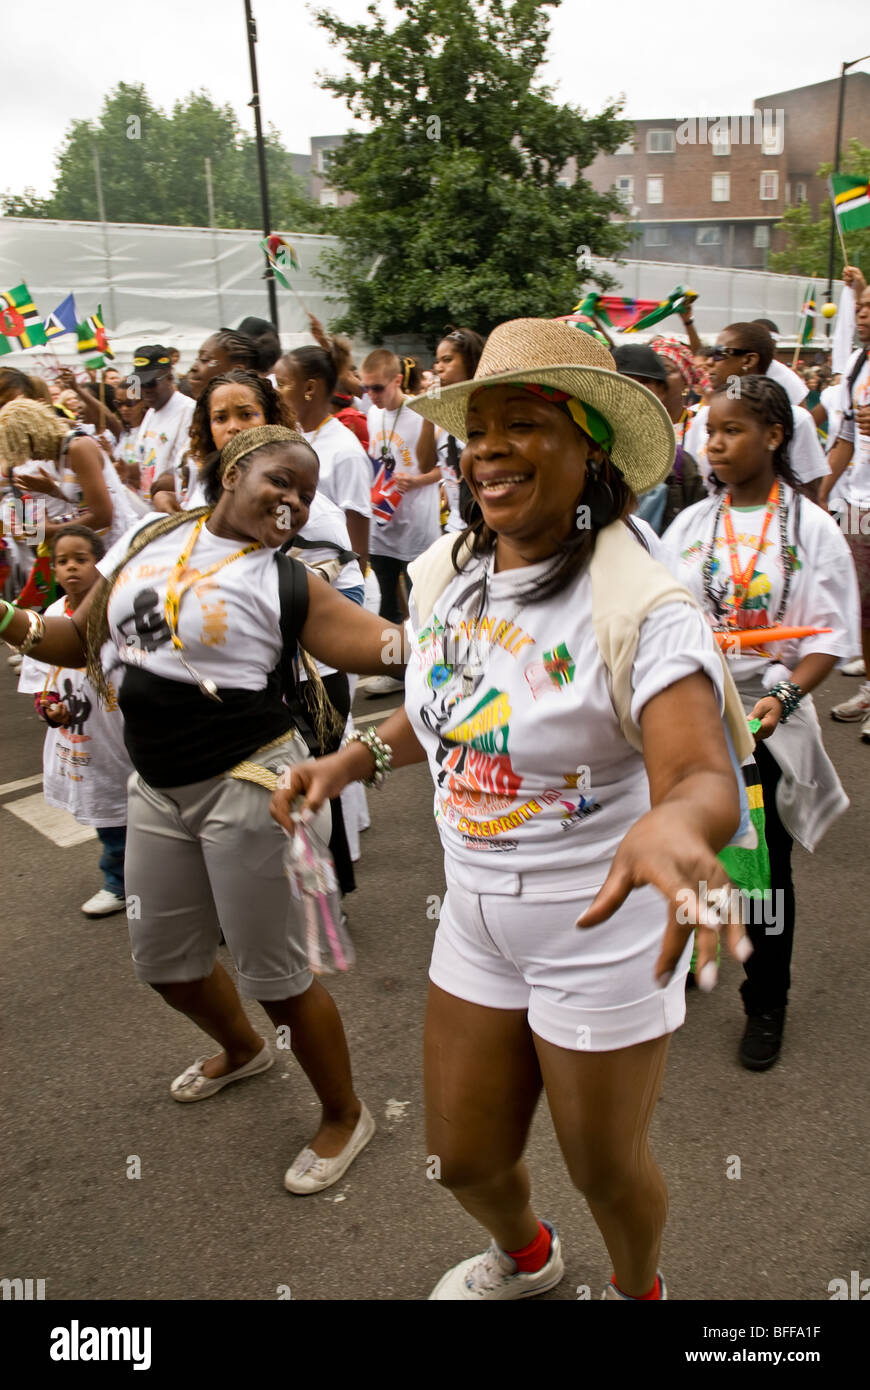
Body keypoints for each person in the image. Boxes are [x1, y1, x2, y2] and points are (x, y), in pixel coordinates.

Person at [271, 317, 753, 1300]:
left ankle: (639, 1288)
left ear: (590, 443)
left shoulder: (639, 601)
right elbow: (453, 710)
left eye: (522, 422)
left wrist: (676, 819)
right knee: (463, 1159)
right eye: (476, 426)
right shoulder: (453, 568)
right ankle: (529, 1257)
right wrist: (355, 757)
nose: (486, 447)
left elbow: (701, 771)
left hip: (601, 926)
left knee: (605, 1169)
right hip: (477, 916)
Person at [0, 424, 408, 1194]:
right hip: (155, 789)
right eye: (279, 480)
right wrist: (3, 617)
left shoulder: (288, 582)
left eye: (306, 494)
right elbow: (70, 642)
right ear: (232, 472)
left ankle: (345, 1114)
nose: (291, 500)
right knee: (165, 965)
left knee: (278, 975)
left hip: (253, 787)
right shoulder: (149, 541)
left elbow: (394, 650)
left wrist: (476, 630)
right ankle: (247, 1052)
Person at [663, 376, 858, 1068]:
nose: (713, 444)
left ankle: (765, 1001)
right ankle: (688, 954)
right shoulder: (689, 527)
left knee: (763, 870)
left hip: (769, 722)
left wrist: (787, 699)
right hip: (694, 719)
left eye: (731, 430)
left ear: (774, 437)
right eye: (708, 431)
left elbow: (828, 638)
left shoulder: (812, 529)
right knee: (688, 849)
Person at [17, 524, 132, 917]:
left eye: (81, 560)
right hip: (82, 735)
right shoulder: (49, 616)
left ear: (101, 565)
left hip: (120, 730)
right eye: (62, 561)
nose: (71, 569)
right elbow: (41, 680)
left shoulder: (120, 609)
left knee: (138, 802)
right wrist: (49, 707)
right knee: (107, 812)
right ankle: (118, 882)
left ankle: (157, 877)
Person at [686, 323, 828, 497]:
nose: (709, 361)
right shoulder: (703, 418)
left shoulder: (796, 420)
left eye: (719, 354)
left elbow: (810, 492)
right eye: (712, 432)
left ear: (748, 360)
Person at [360, 348, 441, 642]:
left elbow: (444, 469)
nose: (371, 395)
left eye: (378, 387)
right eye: (365, 388)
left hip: (416, 529)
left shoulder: (421, 412)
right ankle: (393, 671)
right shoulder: (371, 413)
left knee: (421, 607)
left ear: (396, 380)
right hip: (382, 529)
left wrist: (417, 481)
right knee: (385, 607)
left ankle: (423, 669)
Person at [275, 345, 372, 570]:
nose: (276, 393)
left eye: (282, 384)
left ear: (309, 388)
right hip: (293, 576)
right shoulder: (286, 437)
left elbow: (357, 547)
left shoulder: (346, 452)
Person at [824, 269, 870, 733]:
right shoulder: (857, 365)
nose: (861, 315)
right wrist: (819, 494)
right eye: (860, 307)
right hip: (860, 505)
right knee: (864, 602)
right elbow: (846, 437)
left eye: (869, 307)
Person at [0, 398, 137, 547]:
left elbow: (102, 515)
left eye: (25, 447)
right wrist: (53, 490)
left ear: (35, 433)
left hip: (119, 544)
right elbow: (82, 501)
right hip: (97, 547)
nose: (29, 457)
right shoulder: (59, 456)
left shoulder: (79, 447)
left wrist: (49, 531)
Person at [613, 345, 705, 535]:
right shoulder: (583, 453)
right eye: (623, 382)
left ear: (662, 391)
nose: (633, 391)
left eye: (644, 383)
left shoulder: (681, 464)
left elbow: (692, 538)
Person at [417, 326, 485, 534]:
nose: (439, 368)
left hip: (483, 527)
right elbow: (425, 463)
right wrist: (430, 414)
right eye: (438, 361)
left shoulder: (485, 411)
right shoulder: (444, 413)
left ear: (470, 362)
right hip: (454, 527)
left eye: (448, 360)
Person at [125, 346, 195, 500]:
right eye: (141, 384)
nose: (146, 390)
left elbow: (197, 469)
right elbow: (143, 464)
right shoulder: (150, 413)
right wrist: (122, 469)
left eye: (151, 383)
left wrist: (175, 483)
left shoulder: (190, 412)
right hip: (152, 507)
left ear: (170, 378)